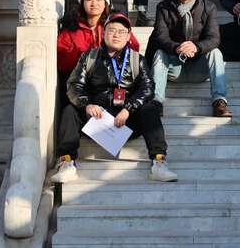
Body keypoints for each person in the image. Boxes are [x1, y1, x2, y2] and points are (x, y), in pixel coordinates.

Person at [52, 13, 177, 183]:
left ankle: (159, 162)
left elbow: (147, 88)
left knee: (151, 108)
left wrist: (128, 109)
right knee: (69, 110)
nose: (116, 35)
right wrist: (87, 105)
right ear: (103, 33)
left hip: (126, 120)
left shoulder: (137, 59)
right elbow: (74, 85)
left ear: (128, 36)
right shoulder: (89, 57)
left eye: (121, 31)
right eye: (111, 30)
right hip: (97, 119)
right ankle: (67, 162)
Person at [147, 0, 231, 118]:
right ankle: (156, 102)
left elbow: (214, 38)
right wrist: (177, 48)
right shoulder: (163, 7)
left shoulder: (208, 7)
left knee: (215, 52)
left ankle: (219, 101)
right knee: (159, 53)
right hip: (174, 67)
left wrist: (196, 47)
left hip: (199, 67)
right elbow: (160, 37)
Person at [57, 0, 141, 107]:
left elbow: (133, 48)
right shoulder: (71, 27)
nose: (94, 4)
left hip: (110, 80)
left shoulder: (115, 24)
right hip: (81, 81)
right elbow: (60, 60)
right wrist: (84, 57)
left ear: (105, 3)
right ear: (82, 2)